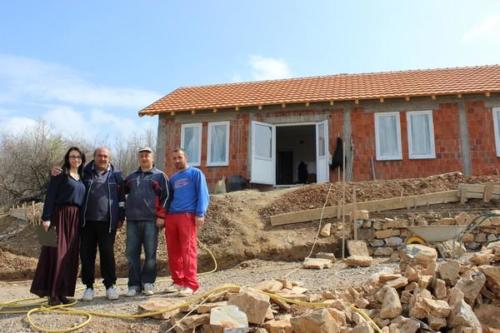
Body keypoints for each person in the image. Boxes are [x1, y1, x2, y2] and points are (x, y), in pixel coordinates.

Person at [30, 147, 86, 306]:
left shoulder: (82, 178)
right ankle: (52, 294)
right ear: (67, 158)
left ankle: (63, 293)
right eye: (72, 156)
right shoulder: (60, 174)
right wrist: (45, 218)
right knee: (54, 254)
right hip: (57, 216)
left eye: (78, 157)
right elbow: (50, 195)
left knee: (70, 255)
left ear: (82, 159)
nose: (75, 159)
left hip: (75, 219)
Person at [79, 147, 125, 301]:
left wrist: (121, 217)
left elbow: (121, 199)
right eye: (100, 156)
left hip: (108, 222)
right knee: (87, 255)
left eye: (105, 156)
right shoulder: (84, 173)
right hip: (87, 222)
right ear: (94, 157)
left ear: (109, 158)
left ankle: (110, 286)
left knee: (107, 255)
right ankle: (88, 287)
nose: (103, 159)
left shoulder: (116, 175)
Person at [163, 148, 209, 297]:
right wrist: (164, 216)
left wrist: (200, 213)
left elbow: (203, 193)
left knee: (188, 250)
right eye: (174, 158)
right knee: (173, 251)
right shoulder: (173, 178)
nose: (177, 161)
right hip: (172, 217)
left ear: (186, 158)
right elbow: (168, 199)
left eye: (179, 157)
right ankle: (178, 281)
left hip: (187, 216)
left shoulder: (196, 174)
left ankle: (191, 284)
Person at [124, 147, 169, 296]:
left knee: (150, 254)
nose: (144, 158)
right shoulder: (130, 177)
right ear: (139, 158)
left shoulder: (160, 176)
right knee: (131, 254)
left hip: (151, 220)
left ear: (152, 158)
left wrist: (161, 216)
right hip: (132, 221)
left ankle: (148, 282)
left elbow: (166, 197)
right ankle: (134, 284)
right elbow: (121, 195)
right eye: (141, 156)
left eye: (147, 155)